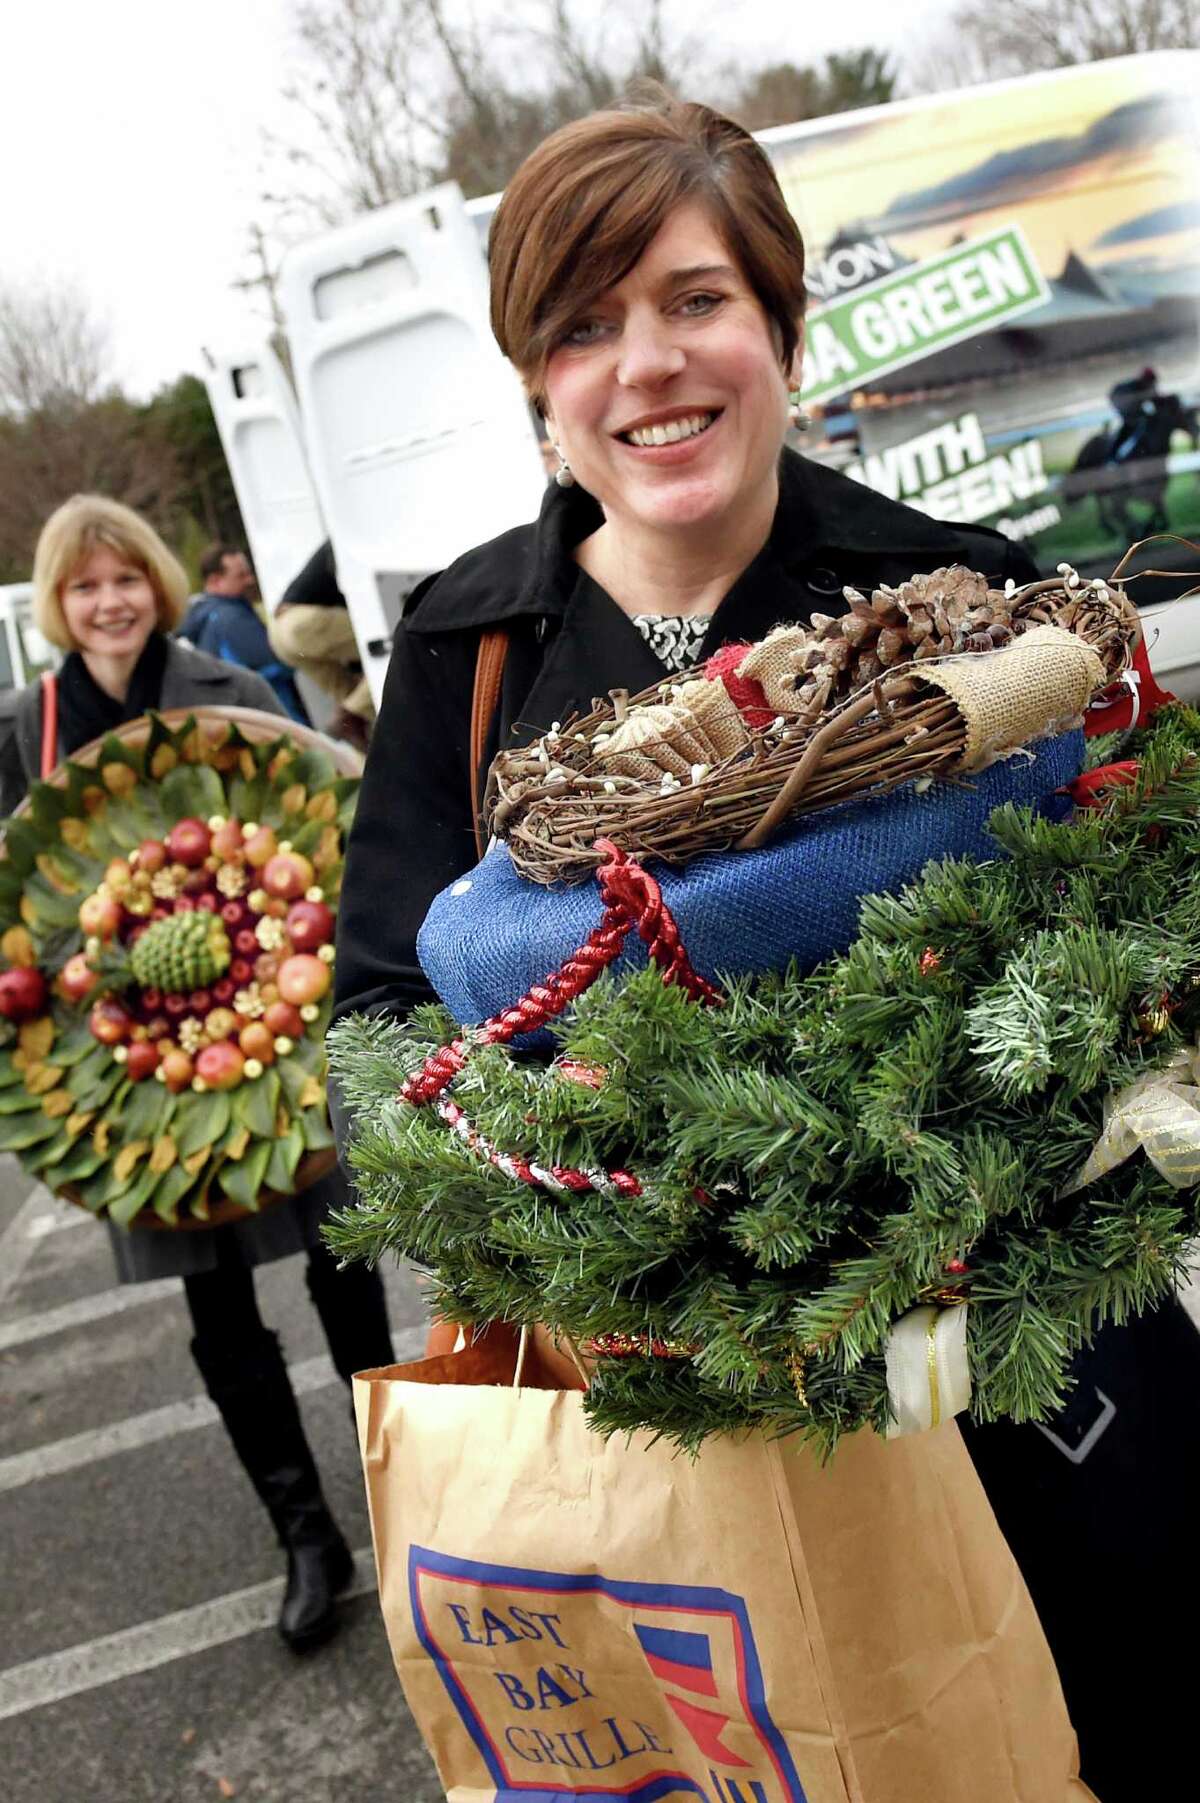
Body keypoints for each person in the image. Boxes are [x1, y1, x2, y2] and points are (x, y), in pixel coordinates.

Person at [330, 92, 1200, 1798]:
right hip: (704, 1429)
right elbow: (375, 1016)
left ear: (782, 324)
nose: (647, 363)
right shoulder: (473, 654)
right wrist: (561, 1174)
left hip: (1032, 1385)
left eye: (695, 299)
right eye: (586, 325)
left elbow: (1140, 925)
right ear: (536, 383)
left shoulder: (964, 597)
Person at [3, 495, 394, 1652]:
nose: (108, 603)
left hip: (277, 1035)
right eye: (84, 587)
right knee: (216, 1304)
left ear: (159, 587)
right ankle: (304, 1533)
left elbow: (328, 832)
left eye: (125, 580)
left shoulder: (230, 692)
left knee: (343, 1264)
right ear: (57, 605)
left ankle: (408, 1485)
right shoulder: (24, 731)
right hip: (137, 1079)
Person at [178, 543, 310, 725]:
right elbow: (279, 659)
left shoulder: (206, 613)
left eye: (248, 572)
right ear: (216, 581)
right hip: (274, 718)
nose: (250, 580)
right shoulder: (230, 619)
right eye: (241, 575)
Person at [268, 540, 373, 753]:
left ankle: (367, 754)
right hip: (302, 625)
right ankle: (350, 714)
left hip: (279, 631)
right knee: (396, 641)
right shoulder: (352, 539)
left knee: (349, 692)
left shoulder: (339, 539)